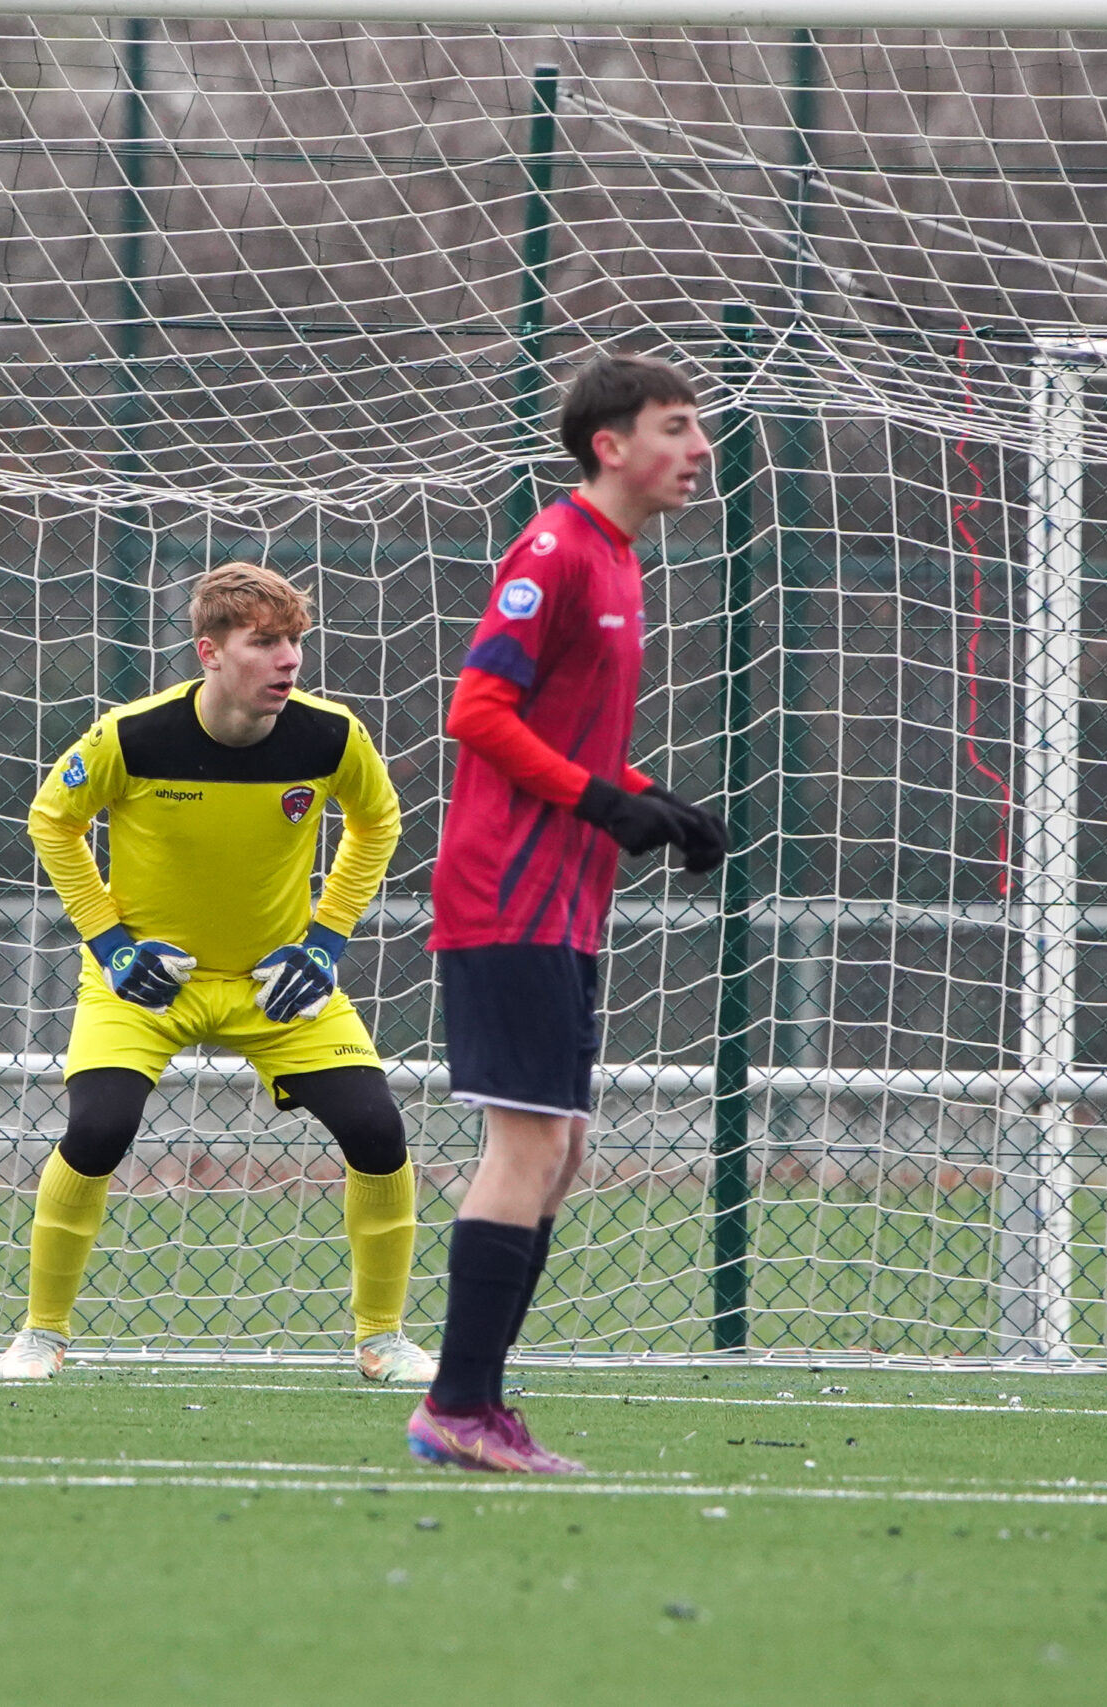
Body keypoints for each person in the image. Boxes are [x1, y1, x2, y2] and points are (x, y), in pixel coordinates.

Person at [406, 352, 728, 1472]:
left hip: (564, 899)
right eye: (676, 426)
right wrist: (602, 801)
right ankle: (455, 1406)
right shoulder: (555, 549)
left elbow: (569, 740)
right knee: (532, 1141)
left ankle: (478, 1403)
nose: (698, 448)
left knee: (563, 1147)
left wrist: (655, 802)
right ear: (610, 444)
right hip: (507, 889)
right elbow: (477, 712)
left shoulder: (620, 560)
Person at [0, 561, 431, 1384]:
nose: (288, 659)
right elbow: (53, 820)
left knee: (377, 1129)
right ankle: (41, 1334)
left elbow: (378, 821)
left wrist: (325, 941)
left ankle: (383, 1339)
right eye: (264, 642)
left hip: (276, 985)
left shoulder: (331, 735)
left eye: (294, 640)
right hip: (145, 984)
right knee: (99, 1130)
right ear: (210, 651)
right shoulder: (132, 735)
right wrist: (112, 946)